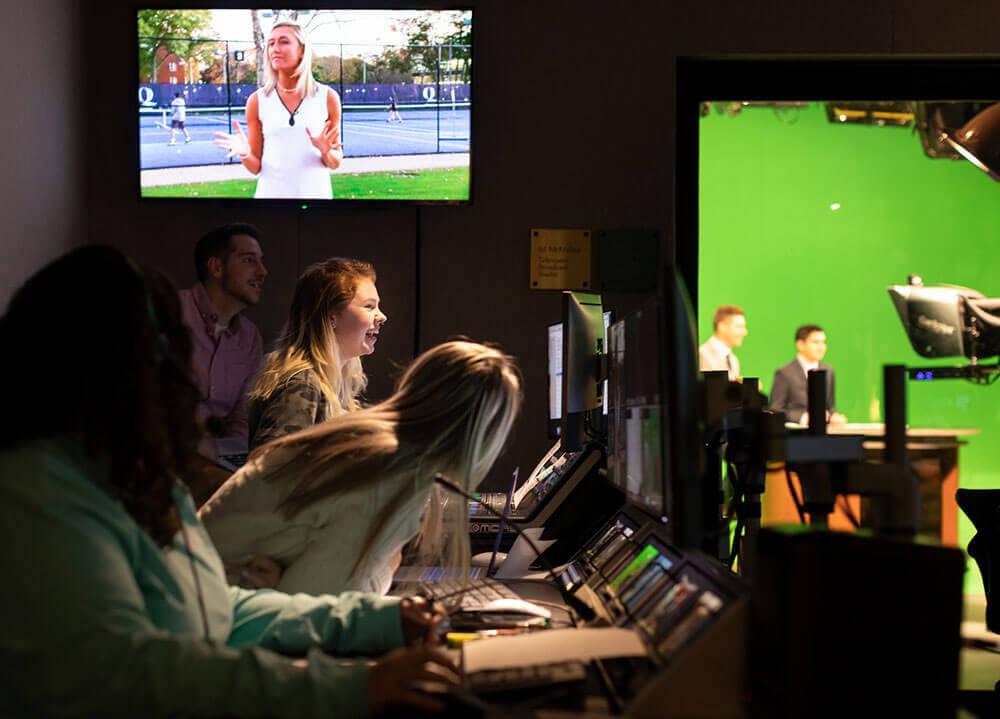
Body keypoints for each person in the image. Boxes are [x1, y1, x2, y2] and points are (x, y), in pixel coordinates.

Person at [0, 245, 461, 718]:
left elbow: (219, 613)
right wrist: (349, 689)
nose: (181, 379)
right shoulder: (37, 493)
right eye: (159, 357)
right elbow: (124, 676)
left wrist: (373, 621)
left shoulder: (136, 478)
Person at [199, 340, 523, 597]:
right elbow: (317, 613)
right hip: (205, 618)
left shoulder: (366, 439)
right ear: (481, 436)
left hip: (197, 590)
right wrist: (381, 574)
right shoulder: (388, 477)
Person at [247, 257, 386, 451]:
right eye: (369, 306)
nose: (382, 316)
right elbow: (267, 470)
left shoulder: (333, 380)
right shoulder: (302, 382)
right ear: (331, 317)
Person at [213, 21, 343, 199]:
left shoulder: (328, 97)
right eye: (271, 43)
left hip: (317, 202)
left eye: (284, 42)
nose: (275, 48)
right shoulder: (256, 101)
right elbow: (255, 167)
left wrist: (326, 151)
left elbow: (335, 163)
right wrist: (245, 153)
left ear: (302, 51)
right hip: (270, 204)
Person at [179, 223, 266, 440]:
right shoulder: (171, 310)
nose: (262, 271)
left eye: (260, 261)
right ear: (216, 268)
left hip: (212, 459)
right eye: (249, 260)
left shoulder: (250, 337)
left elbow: (241, 418)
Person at [769, 324, 847, 425]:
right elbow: (776, 409)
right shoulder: (784, 373)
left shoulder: (828, 370)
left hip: (823, 433)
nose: (821, 347)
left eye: (823, 342)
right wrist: (803, 418)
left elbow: (830, 407)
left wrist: (833, 417)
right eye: (815, 342)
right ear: (800, 344)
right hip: (798, 435)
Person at [699, 304, 747, 381]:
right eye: (739, 327)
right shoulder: (702, 355)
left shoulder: (733, 360)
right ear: (722, 326)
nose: (745, 332)